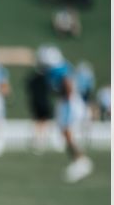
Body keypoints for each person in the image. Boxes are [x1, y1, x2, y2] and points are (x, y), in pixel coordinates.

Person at [38, 44, 92, 182]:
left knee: (67, 132)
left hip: (69, 102)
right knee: (65, 133)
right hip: (69, 101)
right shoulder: (60, 66)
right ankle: (79, 160)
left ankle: (81, 161)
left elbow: (67, 85)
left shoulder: (57, 69)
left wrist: (66, 99)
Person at [25, 59, 54, 154]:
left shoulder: (33, 78)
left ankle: (38, 139)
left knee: (38, 121)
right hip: (44, 102)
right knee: (43, 121)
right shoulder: (47, 78)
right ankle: (41, 139)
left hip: (35, 102)